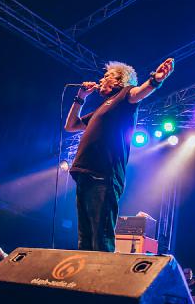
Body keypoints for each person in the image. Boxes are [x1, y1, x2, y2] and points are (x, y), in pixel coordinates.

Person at [65, 58, 174, 252]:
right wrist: (80, 97)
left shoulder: (124, 95)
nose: (102, 79)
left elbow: (139, 92)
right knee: (85, 238)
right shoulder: (101, 108)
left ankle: (103, 272)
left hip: (103, 175)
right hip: (85, 174)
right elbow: (71, 125)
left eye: (107, 75)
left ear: (119, 81)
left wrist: (155, 80)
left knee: (101, 236)